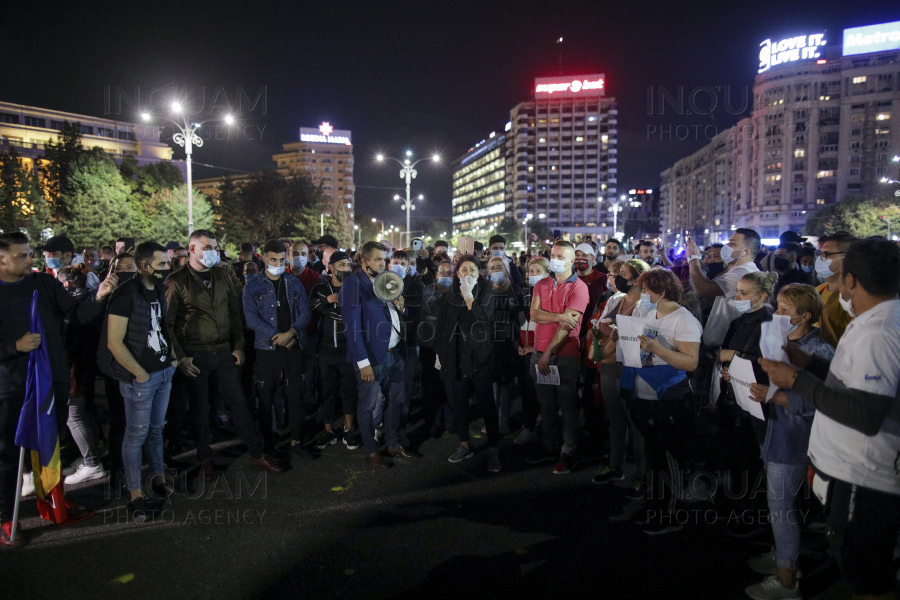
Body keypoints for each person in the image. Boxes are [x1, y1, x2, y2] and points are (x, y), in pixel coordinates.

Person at [759, 238, 900, 600]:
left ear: (851, 280)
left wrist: (797, 380)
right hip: (853, 470)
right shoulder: (873, 321)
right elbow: (849, 383)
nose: (830, 274)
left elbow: (867, 414)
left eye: (834, 266)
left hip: (864, 474)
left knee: (864, 575)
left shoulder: (878, 333)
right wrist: (811, 364)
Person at [0, 232, 117, 548]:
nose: (30, 260)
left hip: (53, 379)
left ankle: (54, 504)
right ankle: (6, 518)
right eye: (22, 255)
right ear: (2, 259)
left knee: (51, 446)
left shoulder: (44, 284)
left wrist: (99, 296)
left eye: (29, 254)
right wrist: (14, 346)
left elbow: (77, 316)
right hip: (12, 387)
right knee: (10, 456)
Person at [741, 283, 834, 600]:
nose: (776, 313)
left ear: (805, 316)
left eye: (784, 309)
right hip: (775, 433)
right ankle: (783, 554)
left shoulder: (819, 352)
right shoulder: (778, 341)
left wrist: (774, 395)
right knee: (779, 508)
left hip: (796, 440)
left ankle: (787, 580)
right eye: (777, 306)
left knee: (782, 508)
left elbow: (821, 401)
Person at [165, 229, 282, 480]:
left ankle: (257, 453)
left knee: (239, 404)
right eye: (207, 248)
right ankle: (205, 458)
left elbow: (235, 314)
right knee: (201, 410)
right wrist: (180, 357)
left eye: (215, 248)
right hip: (195, 356)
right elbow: (167, 324)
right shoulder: (176, 281)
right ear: (192, 249)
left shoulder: (223, 275)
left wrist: (238, 345)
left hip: (225, 353)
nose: (213, 252)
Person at [99, 242, 177, 519]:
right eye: (163, 264)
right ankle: (135, 494)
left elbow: (163, 328)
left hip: (164, 371)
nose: (167, 268)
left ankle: (158, 477)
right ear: (144, 266)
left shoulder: (158, 289)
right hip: (141, 378)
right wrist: (140, 373)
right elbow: (114, 342)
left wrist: (173, 361)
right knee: (136, 435)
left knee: (156, 430)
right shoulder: (124, 295)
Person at [625, 267, 701, 535]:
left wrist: (656, 348)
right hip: (645, 394)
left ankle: (670, 512)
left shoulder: (684, 320)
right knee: (655, 454)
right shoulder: (649, 312)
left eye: (645, 290)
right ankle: (655, 504)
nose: (642, 294)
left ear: (660, 291)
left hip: (669, 398)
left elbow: (691, 362)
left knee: (668, 455)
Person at [425, 255, 499, 472]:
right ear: (457, 274)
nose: (468, 274)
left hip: (480, 356)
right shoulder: (449, 297)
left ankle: (494, 448)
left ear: (479, 273)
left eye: (473, 270)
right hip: (455, 357)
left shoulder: (486, 291)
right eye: (464, 270)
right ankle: (464, 444)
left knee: (486, 402)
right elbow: (442, 326)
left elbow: (482, 319)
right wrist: (440, 353)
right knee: (459, 402)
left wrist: (469, 297)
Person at [340, 241, 410, 468]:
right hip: (371, 358)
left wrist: (402, 306)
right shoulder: (352, 285)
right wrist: (363, 363)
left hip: (394, 352)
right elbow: (352, 328)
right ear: (364, 260)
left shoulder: (387, 279)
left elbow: (396, 312)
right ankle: (371, 450)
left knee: (397, 400)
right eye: (378, 259)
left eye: (384, 259)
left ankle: (391, 443)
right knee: (368, 405)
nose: (383, 263)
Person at [243, 240, 313, 460]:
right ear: (263, 258)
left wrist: (291, 333)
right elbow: (252, 319)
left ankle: (296, 441)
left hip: (292, 347)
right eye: (273, 259)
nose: (278, 263)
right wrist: (278, 337)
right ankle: (268, 444)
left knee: (296, 396)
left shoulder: (293, 283)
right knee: (266, 398)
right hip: (266, 350)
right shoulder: (252, 285)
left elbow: (305, 313)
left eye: (282, 259)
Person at [526, 240, 590, 475]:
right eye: (553, 255)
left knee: (568, 404)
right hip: (539, 352)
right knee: (546, 404)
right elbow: (534, 314)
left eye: (561, 256)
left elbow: (569, 326)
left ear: (573, 261)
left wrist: (549, 352)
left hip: (564, 355)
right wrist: (559, 317)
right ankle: (548, 447)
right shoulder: (542, 283)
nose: (555, 259)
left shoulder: (579, 288)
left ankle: (569, 451)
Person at [590, 259, 651, 498]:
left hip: (631, 367)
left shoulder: (647, 305)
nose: (615, 279)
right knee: (615, 418)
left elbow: (642, 338)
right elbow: (599, 323)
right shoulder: (615, 300)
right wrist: (597, 330)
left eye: (622, 274)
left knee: (636, 423)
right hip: (609, 365)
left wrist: (614, 332)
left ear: (636, 279)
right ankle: (615, 465)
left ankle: (642, 476)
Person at [309, 250, 360, 450]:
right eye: (340, 265)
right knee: (327, 391)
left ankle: (349, 431)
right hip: (325, 350)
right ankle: (329, 431)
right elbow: (309, 312)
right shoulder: (320, 288)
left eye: (347, 265)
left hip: (347, 350)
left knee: (349, 391)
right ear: (330, 267)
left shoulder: (354, 288)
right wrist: (326, 301)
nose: (345, 269)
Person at [686, 228, 762, 347]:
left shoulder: (743, 273)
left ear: (745, 252)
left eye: (732, 243)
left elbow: (703, 289)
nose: (726, 245)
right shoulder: (742, 270)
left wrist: (692, 258)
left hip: (728, 347)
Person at [512, 257, 549, 445]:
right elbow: (517, 324)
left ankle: (545, 430)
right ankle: (529, 427)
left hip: (542, 354)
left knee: (542, 395)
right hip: (524, 355)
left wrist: (534, 347)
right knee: (527, 393)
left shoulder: (552, 296)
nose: (532, 275)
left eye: (537, 272)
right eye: (530, 272)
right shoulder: (523, 295)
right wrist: (517, 344)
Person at [488, 256, 522, 435]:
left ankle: (504, 419)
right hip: (490, 343)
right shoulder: (485, 289)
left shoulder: (515, 290)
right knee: (493, 383)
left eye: (499, 267)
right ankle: (493, 419)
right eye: (492, 267)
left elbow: (518, 318)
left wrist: (517, 343)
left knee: (506, 383)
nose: (495, 270)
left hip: (508, 342)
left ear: (507, 270)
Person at [814, 232, 856, 347]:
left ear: (847, 257)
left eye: (827, 254)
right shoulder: (818, 290)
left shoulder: (855, 298)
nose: (821, 259)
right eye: (820, 254)